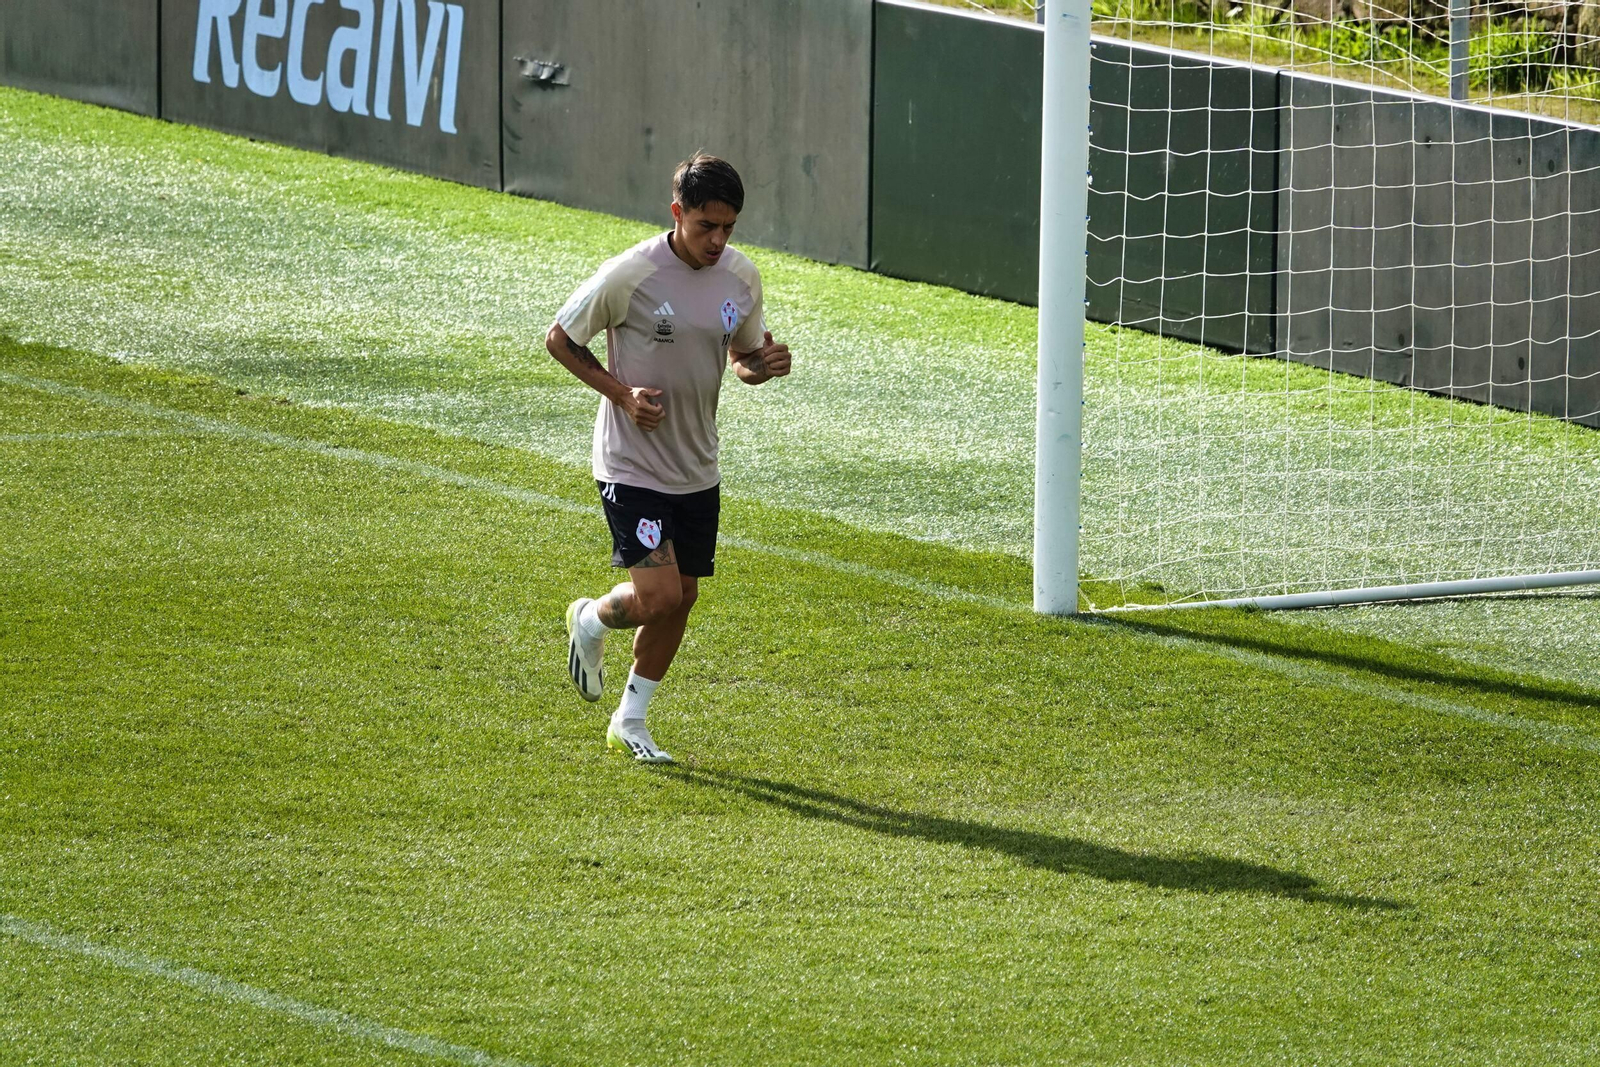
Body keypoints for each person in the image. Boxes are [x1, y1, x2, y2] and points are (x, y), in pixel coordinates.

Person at [546, 152, 792, 763]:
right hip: (632, 464)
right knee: (657, 597)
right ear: (677, 212)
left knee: (682, 595)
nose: (719, 239)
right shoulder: (630, 274)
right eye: (706, 225)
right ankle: (593, 619)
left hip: (696, 466)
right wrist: (623, 396)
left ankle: (630, 719)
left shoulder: (741, 277)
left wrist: (760, 365)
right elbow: (560, 338)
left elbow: (739, 358)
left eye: (729, 227)